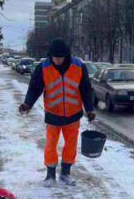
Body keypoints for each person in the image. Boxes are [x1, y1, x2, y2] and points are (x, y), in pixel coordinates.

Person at [18, 38, 96, 187]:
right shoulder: (43, 67)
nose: (58, 60)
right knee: (50, 144)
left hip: (73, 115)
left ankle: (66, 173)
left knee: (70, 145)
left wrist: (90, 109)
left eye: (61, 57)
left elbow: (86, 89)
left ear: (67, 55)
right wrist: (27, 104)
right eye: (55, 57)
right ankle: (50, 175)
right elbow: (35, 88)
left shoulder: (79, 66)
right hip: (53, 114)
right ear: (50, 56)